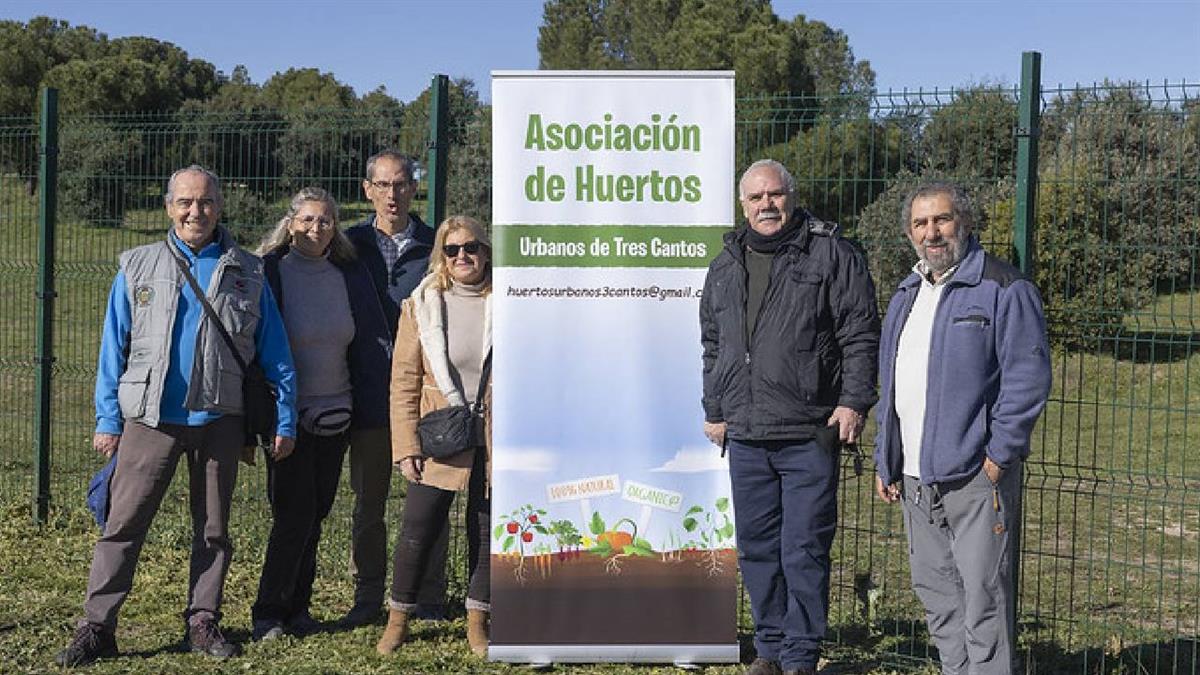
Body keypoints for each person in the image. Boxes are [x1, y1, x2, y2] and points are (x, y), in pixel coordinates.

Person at [55, 165, 297, 667]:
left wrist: (285, 418)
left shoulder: (248, 271)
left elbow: (275, 352)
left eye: (206, 202)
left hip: (220, 419)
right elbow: (112, 348)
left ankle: (203, 621)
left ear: (219, 206)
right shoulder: (138, 266)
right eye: (185, 202)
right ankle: (97, 627)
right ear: (168, 207)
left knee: (213, 530)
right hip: (148, 420)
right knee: (121, 525)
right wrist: (107, 419)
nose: (196, 212)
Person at [700, 159, 880, 675]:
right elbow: (714, 343)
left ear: (792, 196)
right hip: (746, 431)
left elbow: (859, 332)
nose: (767, 205)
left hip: (808, 428)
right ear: (743, 205)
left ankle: (800, 654)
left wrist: (853, 400)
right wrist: (715, 408)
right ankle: (771, 650)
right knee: (757, 548)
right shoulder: (726, 263)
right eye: (756, 198)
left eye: (775, 195)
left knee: (803, 547)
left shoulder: (830, 254)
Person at [873, 182, 1051, 675]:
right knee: (939, 599)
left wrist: (998, 457)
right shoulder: (906, 294)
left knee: (983, 601)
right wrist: (885, 458)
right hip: (913, 478)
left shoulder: (1003, 288)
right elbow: (891, 385)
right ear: (909, 233)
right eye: (921, 223)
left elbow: (1027, 378)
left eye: (942, 220)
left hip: (975, 476)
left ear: (963, 223)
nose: (932, 232)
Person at [251, 188, 391, 640]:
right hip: (288, 418)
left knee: (317, 515)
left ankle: (299, 609)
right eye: (308, 220)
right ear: (290, 222)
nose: (317, 229)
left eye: (326, 221)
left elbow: (366, 338)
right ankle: (268, 612)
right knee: (292, 516)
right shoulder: (270, 272)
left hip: (337, 414)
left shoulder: (348, 273)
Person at [340, 149, 448, 627]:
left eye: (401, 184)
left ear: (413, 187)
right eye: (382, 185)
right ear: (368, 190)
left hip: (424, 397)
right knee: (369, 503)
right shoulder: (348, 245)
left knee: (429, 499)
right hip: (365, 394)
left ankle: (428, 599)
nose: (392, 194)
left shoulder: (437, 243)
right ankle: (367, 598)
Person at [376, 215, 493, 658]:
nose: (463, 256)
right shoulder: (421, 303)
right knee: (417, 532)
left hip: (493, 435)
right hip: (438, 434)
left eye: (472, 247)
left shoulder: (508, 301)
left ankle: (477, 622)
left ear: (486, 250)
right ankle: (398, 620)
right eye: (452, 249)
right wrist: (406, 447)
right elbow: (403, 381)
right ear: (441, 255)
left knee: (486, 530)